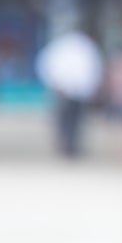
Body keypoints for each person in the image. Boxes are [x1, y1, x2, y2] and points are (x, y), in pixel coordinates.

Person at [35, 28, 104, 158]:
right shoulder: (79, 47)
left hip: (72, 90)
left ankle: (68, 146)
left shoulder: (69, 46)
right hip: (69, 90)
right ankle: (67, 146)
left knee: (70, 120)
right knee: (70, 120)